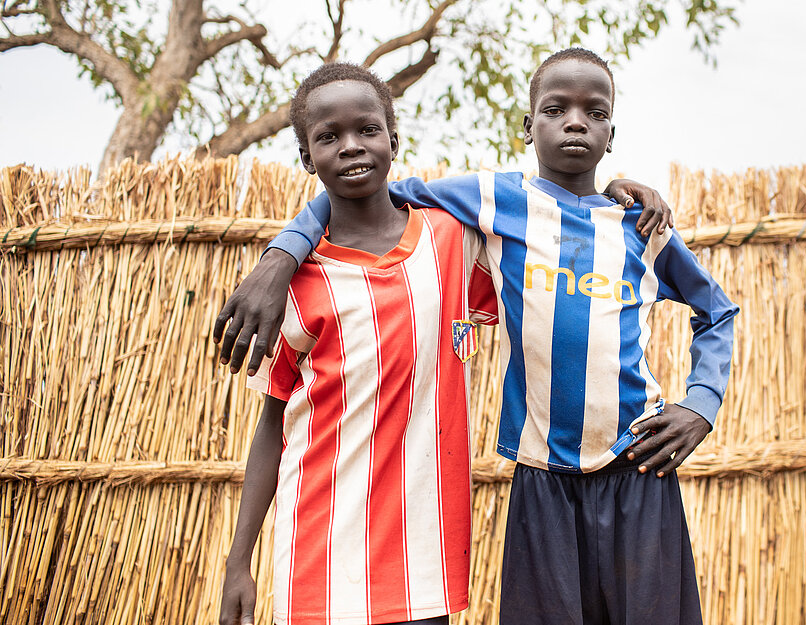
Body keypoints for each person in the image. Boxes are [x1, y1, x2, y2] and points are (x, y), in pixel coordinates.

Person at [219, 48, 737, 624]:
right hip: (519, 485)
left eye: (594, 113)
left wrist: (700, 405)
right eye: (555, 109)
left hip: (621, 474)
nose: (574, 122)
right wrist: (283, 253)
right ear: (529, 124)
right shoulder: (488, 207)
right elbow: (363, 189)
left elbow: (716, 310)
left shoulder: (615, 230)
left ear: (612, 130)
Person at [218, 62, 501, 625]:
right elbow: (273, 424)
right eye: (328, 136)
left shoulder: (453, 242)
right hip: (319, 555)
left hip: (425, 551)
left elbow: (549, 220)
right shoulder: (295, 287)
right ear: (307, 158)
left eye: (366, 130)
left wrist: (618, 192)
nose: (351, 146)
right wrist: (238, 560)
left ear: (392, 140)